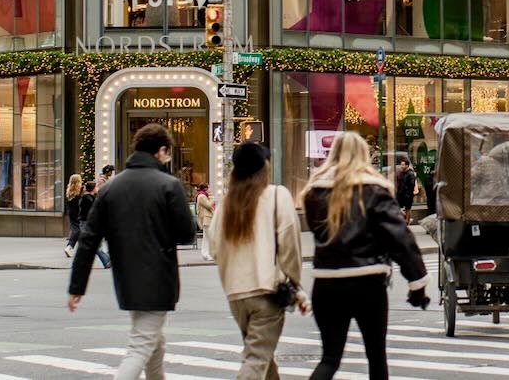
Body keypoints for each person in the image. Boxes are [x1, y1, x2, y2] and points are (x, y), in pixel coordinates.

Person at [68, 123, 197, 380]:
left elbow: (89, 239)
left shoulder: (110, 189)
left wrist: (76, 286)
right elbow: (186, 233)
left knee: (154, 343)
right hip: (158, 279)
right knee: (141, 346)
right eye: (168, 154)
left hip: (126, 278)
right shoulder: (169, 185)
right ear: (161, 151)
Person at [300, 132, 429, 380]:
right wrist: (417, 284)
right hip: (368, 283)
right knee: (376, 357)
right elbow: (400, 238)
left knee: (329, 359)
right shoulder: (374, 190)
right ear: (364, 156)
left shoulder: (314, 193)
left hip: (326, 284)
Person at [206, 141, 304, 380]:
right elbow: (290, 244)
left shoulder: (226, 204)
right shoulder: (277, 196)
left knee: (261, 357)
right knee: (257, 359)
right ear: (264, 168)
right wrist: (294, 282)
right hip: (266, 292)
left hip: (236, 294)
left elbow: (215, 247)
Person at [77, 182, 111, 268]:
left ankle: (107, 260)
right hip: (86, 223)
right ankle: (107, 260)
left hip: (88, 222)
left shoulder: (91, 197)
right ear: (93, 188)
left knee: (96, 245)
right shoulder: (87, 198)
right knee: (93, 245)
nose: (97, 188)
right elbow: (90, 212)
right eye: (96, 187)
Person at [63, 174, 83, 258]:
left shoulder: (69, 191)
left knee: (76, 229)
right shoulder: (80, 191)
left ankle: (70, 247)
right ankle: (70, 246)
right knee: (77, 230)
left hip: (71, 213)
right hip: (78, 213)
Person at [394, 155, 417, 224]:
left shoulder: (410, 174)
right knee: (396, 206)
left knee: (408, 208)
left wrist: (409, 194)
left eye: (403, 165)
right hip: (401, 193)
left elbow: (411, 185)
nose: (401, 166)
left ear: (407, 165)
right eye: (401, 165)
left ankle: (407, 221)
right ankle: (406, 218)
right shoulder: (402, 173)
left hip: (407, 194)